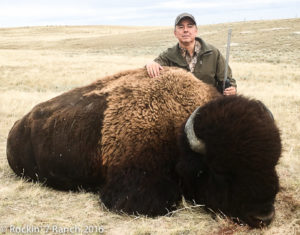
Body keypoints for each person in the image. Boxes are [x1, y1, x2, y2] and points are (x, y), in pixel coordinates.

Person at [146, 13, 237, 96]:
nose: (185, 30)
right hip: (179, 108)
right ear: (175, 33)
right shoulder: (168, 55)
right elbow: (154, 65)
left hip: (209, 106)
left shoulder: (213, 53)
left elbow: (228, 80)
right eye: (181, 27)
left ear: (196, 31)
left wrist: (232, 89)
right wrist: (151, 64)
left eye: (190, 26)